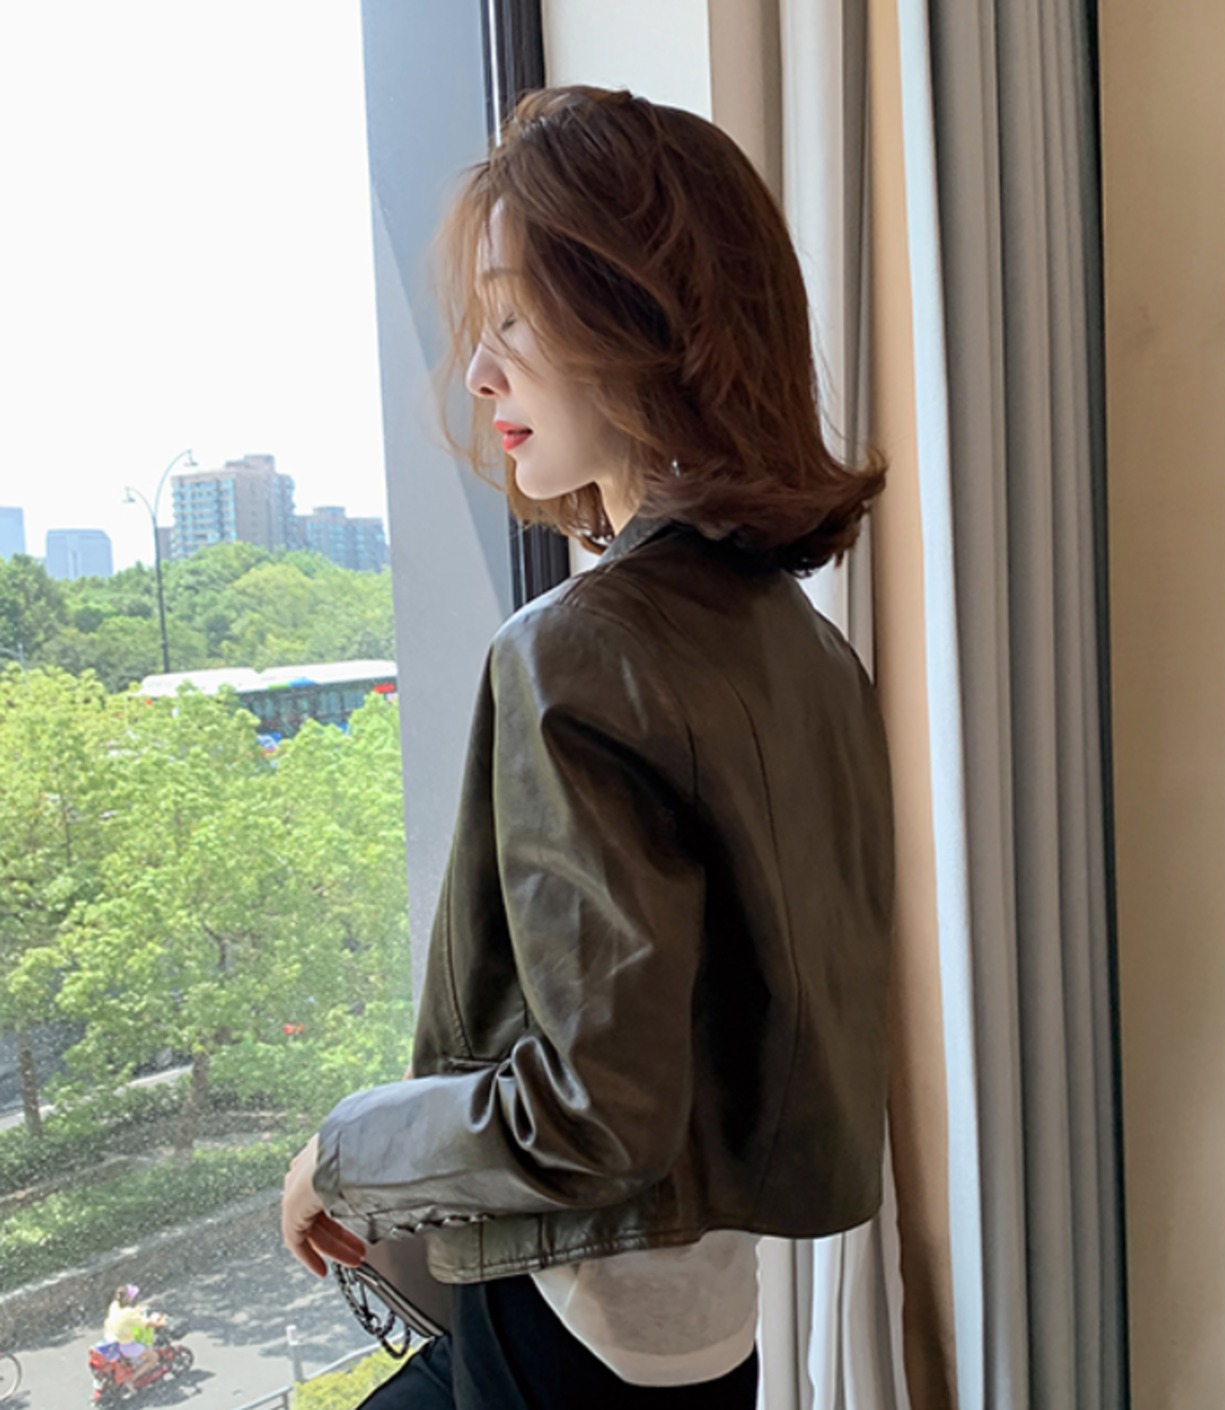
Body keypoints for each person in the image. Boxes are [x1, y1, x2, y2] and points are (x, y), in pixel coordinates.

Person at [281, 85, 895, 1410]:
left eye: (512, 317)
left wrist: (342, 1152)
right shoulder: (802, 646)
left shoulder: (576, 650)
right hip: (705, 1329)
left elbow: (589, 1114)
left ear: (640, 322)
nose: (479, 371)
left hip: (565, 1316)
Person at [102, 1283, 164, 1380]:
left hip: (115, 1339)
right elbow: (147, 1323)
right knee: (153, 1358)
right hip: (127, 1345)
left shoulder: (114, 1305)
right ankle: (132, 1379)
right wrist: (160, 1323)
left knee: (139, 1334)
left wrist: (136, 1310)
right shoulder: (129, 1313)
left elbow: (126, 1318)